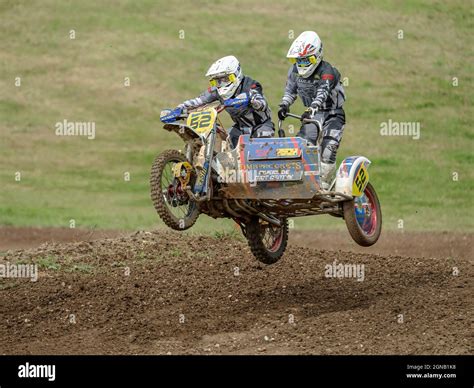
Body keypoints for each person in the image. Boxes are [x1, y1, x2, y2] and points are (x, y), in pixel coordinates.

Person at [278, 31, 346, 190]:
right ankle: (297, 180)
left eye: (306, 60)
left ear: (317, 56)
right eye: (298, 61)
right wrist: (284, 105)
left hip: (333, 113)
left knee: (329, 148)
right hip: (312, 116)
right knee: (302, 144)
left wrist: (311, 109)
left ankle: (325, 184)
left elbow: (322, 93)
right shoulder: (294, 71)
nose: (301, 65)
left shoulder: (328, 72)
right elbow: (290, 91)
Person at [176, 55, 274, 148]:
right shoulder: (217, 91)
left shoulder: (250, 85)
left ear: (236, 74)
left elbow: (262, 103)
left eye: (225, 79)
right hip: (240, 128)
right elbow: (199, 101)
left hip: (262, 126)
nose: (221, 83)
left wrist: (253, 101)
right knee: (227, 142)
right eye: (217, 81)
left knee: (261, 147)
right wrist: (179, 109)